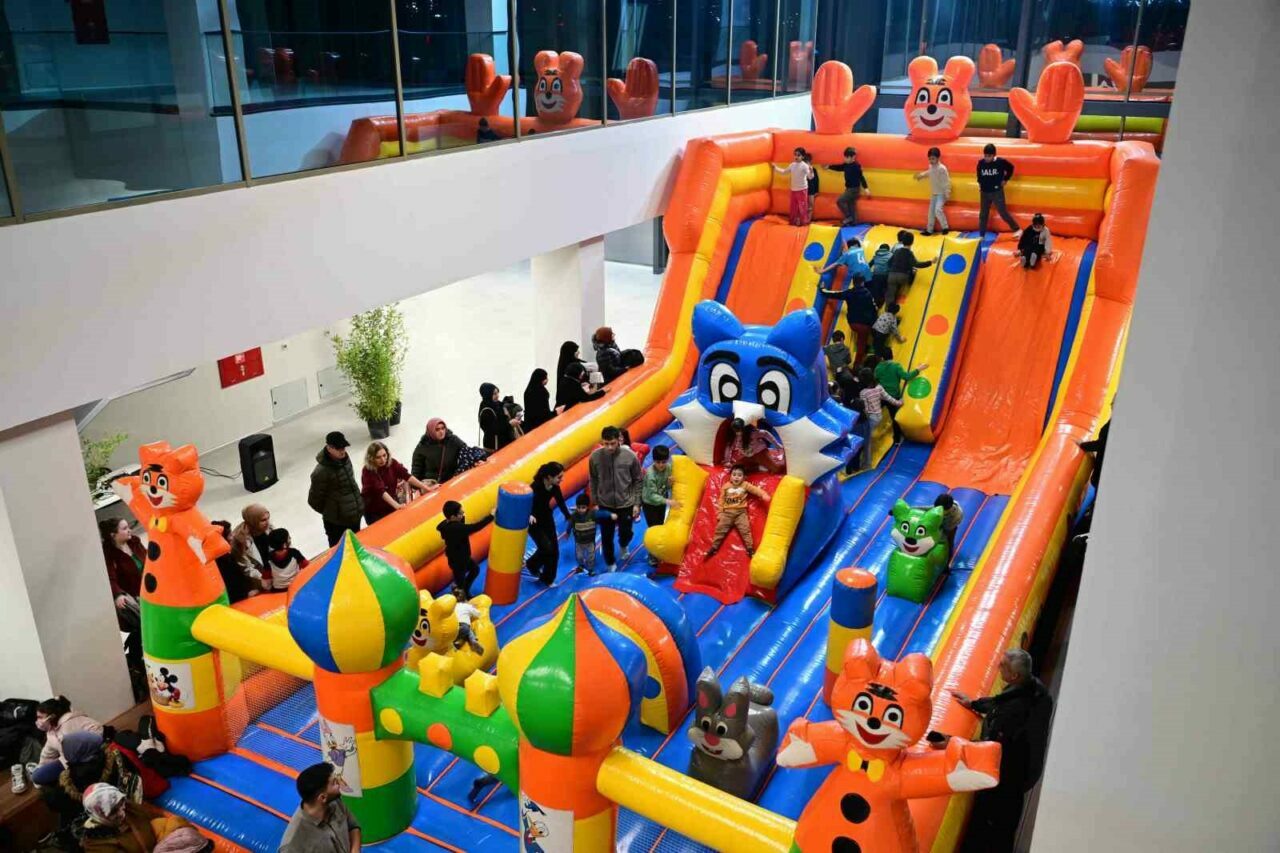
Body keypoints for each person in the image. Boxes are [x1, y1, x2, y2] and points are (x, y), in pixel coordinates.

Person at [952, 649, 1054, 853]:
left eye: (1003, 665)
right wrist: (974, 703)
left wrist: (951, 743)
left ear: (1014, 676)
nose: (998, 666)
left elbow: (989, 746)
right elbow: (1000, 703)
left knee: (996, 824)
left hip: (1009, 775)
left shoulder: (1014, 711)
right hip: (1026, 770)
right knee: (1006, 821)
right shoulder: (1036, 690)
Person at [588, 426, 643, 572]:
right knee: (606, 536)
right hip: (605, 504)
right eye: (606, 444)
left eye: (612, 443)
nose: (610, 447)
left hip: (626, 503)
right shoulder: (595, 457)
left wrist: (637, 503)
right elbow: (593, 479)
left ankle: (624, 544)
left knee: (626, 532)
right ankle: (610, 562)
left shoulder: (630, 456)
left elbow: (638, 480)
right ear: (602, 442)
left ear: (619, 440)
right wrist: (594, 501)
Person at [279, 762, 361, 853]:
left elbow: (353, 827)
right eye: (334, 783)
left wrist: (355, 850)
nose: (340, 784)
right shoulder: (291, 845)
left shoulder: (335, 801)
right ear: (322, 797)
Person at [79, 782, 183, 853]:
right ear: (99, 815)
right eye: (113, 811)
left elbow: (157, 820)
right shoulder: (95, 844)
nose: (122, 812)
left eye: (121, 803)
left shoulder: (128, 807)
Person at [98, 519, 144, 663]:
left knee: (146, 627)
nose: (129, 530)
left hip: (150, 591)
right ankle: (135, 660)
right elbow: (110, 578)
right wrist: (118, 595)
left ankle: (133, 658)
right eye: (124, 528)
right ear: (113, 535)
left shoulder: (135, 542)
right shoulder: (108, 553)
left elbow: (151, 561)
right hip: (134, 596)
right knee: (144, 626)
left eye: (128, 527)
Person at [31, 697, 103, 788]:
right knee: (37, 775)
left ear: (52, 716)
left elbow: (98, 732)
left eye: (40, 717)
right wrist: (40, 766)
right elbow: (47, 753)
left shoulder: (70, 725)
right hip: (68, 760)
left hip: (84, 760)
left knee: (39, 777)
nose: (38, 721)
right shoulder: (52, 731)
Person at [308, 432, 364, 547]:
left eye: (343, 447)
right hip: (337, 524)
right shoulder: (321, 472)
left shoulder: (345, 460)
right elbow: (314, 501)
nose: (342, 451)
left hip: (354, 517)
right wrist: (335, 512)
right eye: (338, 448)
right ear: (329, 448)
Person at [703, 465, 772, 558]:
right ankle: (714, 548)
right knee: (720, 529)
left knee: (745, 530)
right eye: (734, 475)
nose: (736, 477)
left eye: (739, 475)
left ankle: (750, 549)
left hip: (741, 513)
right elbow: (721, 500)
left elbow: (755, 490)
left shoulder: (745, 485)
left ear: (743, 477)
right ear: (730, 476)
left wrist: (763, 494)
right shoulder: (726, 486)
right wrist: (720, 513)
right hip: (727, 513)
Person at [361, 441, 435, 525]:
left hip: (390, 504)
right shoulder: (367, 471)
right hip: (374, 511)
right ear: (371, 458)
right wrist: (397, 506)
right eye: (378, 457)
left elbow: (407, 476)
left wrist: (427, 488)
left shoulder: (392, 463)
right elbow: (380, 491)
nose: (383, 460)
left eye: (384, 455)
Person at [526, 462, 572, 585]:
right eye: (559, 477)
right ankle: (532, 564)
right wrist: (529, 514)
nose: (562, 480)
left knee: (554, 550)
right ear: (549, 477)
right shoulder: (535, 487)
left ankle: (547, 578)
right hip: (533, 521)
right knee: (546, 548)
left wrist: (568, 517)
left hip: (546, 517)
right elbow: (526, 503)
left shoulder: (555, 487)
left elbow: (560, 502)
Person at [436, 501, 492, 600]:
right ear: (453, 517)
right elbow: (475, 527)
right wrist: (491, 516)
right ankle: (460, 599)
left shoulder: (448, 524)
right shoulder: (455, 528)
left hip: (462, 557)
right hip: (458, 560)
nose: (463, 513)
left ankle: (462, 589)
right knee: (460, 582)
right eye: (460, 513)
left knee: (474, 570)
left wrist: (461, 517)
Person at [411, 419, 488, 485]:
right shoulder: (422, 447)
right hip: (432, 486)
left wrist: (479, 460)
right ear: (431, 431)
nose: (441, 432)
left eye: (443, 428)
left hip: (452, 482)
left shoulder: (452, 440)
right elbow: (416, 472)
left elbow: (467, 451)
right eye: (437, 430)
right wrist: (418, 487)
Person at [640, 445, 678, 566]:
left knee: (660, 525)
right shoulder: (650, 474)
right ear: (653, 460)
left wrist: (669, 483)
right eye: (658, 462)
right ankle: (652, 555)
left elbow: (666, 485)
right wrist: (668, 501)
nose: (661, 465)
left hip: (660, 502)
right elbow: (652, 495)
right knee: (654, 528)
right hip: (649, 504)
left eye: (663, 462)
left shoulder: (668, 468)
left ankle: (659, 550)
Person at [874, 353, 927, 440]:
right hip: (893, 396)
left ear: (882, 358)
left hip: (881, 396)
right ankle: (897, 438)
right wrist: (918, 369)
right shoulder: (896, 366)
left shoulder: (878, 367)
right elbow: (907, 377)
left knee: (873, 413)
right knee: (894, 418)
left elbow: (875, 379)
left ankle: (870, 433)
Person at [976, 143, 1020, 236]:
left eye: (989, 156)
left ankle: (1017, 229)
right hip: (984, 192)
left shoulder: (1000, 162)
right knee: (983, 214)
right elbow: (979, 175)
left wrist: (1005, 179)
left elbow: (1011, 168)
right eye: (985, 156)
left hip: (997, 192)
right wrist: (980, 184)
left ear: (994, 155)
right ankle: (981, 235)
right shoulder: (981, 163)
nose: (987, 158)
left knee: (1003, 212)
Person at [567, 494, 615, 576]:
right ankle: (581, 565)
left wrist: (610, 515)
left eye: (583, 507)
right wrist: (567, 532)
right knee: (579, 556)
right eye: (578, 507)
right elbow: (570, 524)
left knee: (591, 557)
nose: (581, 510)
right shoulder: (574, 516)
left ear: (587, 507)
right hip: (579, 542)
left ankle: (591, 569)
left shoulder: (592, 514)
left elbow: (601, 513)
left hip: (590, 541)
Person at [886, 232, 935, 306]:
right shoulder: (909, 253)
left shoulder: (897, 251)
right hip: (903, 277)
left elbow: (889, 262)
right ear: (912, 242)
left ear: (902, 241)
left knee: (890, 294)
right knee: (913, 271)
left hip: (892, 276)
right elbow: (917, 264)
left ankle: (888, 308)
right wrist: (930, 262)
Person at [826, 146, 870, 226]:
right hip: (848, 188)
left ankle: (849, 217)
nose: (845, 159)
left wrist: (866, 188)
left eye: (847, 157)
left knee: (840, 201)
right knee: (851, 205)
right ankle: (854, 222)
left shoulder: (856, 166)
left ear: (853, 157)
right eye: (845, 157)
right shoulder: (846, 164)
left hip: (854, 189)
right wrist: (829, 166)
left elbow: (861, 177)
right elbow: (839, 168)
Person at [231, 504, 272, 588]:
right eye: (263, 520)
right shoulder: (239, 539)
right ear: (253, 521)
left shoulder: (269, 528)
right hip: (257, 581)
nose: (267, 522)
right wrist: (265, 579)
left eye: (268, 518)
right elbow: (245, 567)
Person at [211, 521, 253, 603]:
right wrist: (246, 594)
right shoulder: (225, 560)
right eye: (229, 534)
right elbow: (234, 583)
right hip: (238, 600)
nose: (232, 537)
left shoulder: (215, 556)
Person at [914, 146, 951, 235]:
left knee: (938, 210)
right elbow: (929, 172)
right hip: (934, 193)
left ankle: (945, 227)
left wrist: (947, 193)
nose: (931, 161)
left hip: (941, 194)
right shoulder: (931, 166)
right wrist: (921, 176)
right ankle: (929, 230)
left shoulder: (942, 168)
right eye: (930, 159)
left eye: (933, 159)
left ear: (938, 158)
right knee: (931, 212)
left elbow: (946, 182)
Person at [773, 147, 813, 226]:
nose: (796, 157)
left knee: (802, 207)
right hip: (794, 190)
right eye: (795, 155)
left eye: (798, 155)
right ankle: (792, 222)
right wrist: (775, 168)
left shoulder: (804, 166)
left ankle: (804, 222)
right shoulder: (792, 165)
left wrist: (811, 171)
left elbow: (810, 177)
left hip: (802, 190)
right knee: (793, 207)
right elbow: (784, 171)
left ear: (803, 157)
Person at [478, 383, 519, 451]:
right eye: (494, 394)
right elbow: (493, 430)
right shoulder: (486, 410)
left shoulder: (496, 404)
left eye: (497, 393)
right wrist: (510, 424)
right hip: (495, 447)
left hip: (504, 443)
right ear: (488, 395)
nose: (497, 396)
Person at [554, 341, 588, 406]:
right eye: (576, 350)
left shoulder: (566, 364)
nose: (578, 352)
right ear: (571, 352)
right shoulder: (570, 367)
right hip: (570, 402)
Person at [934, 492, 964, 559]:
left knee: (949, 541)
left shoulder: (954, 517)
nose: (938, 510)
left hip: (951, 525)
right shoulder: (944, 506)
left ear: (947, 509)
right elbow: (932, 508)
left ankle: (949, 557)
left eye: (941, 510)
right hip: (947, 517)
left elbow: (945, 529)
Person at [803, 152, 819, 219]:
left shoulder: (813, 170)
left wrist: (816, 191)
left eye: (808, 162)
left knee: (811, 205)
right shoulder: (802, 170)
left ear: (810, 162)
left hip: (811, 189)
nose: (807, 164)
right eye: (805, 162)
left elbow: (816, 181)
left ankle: (808, 219)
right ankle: (803, 218)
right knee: (803, 204)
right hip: (803, 189)